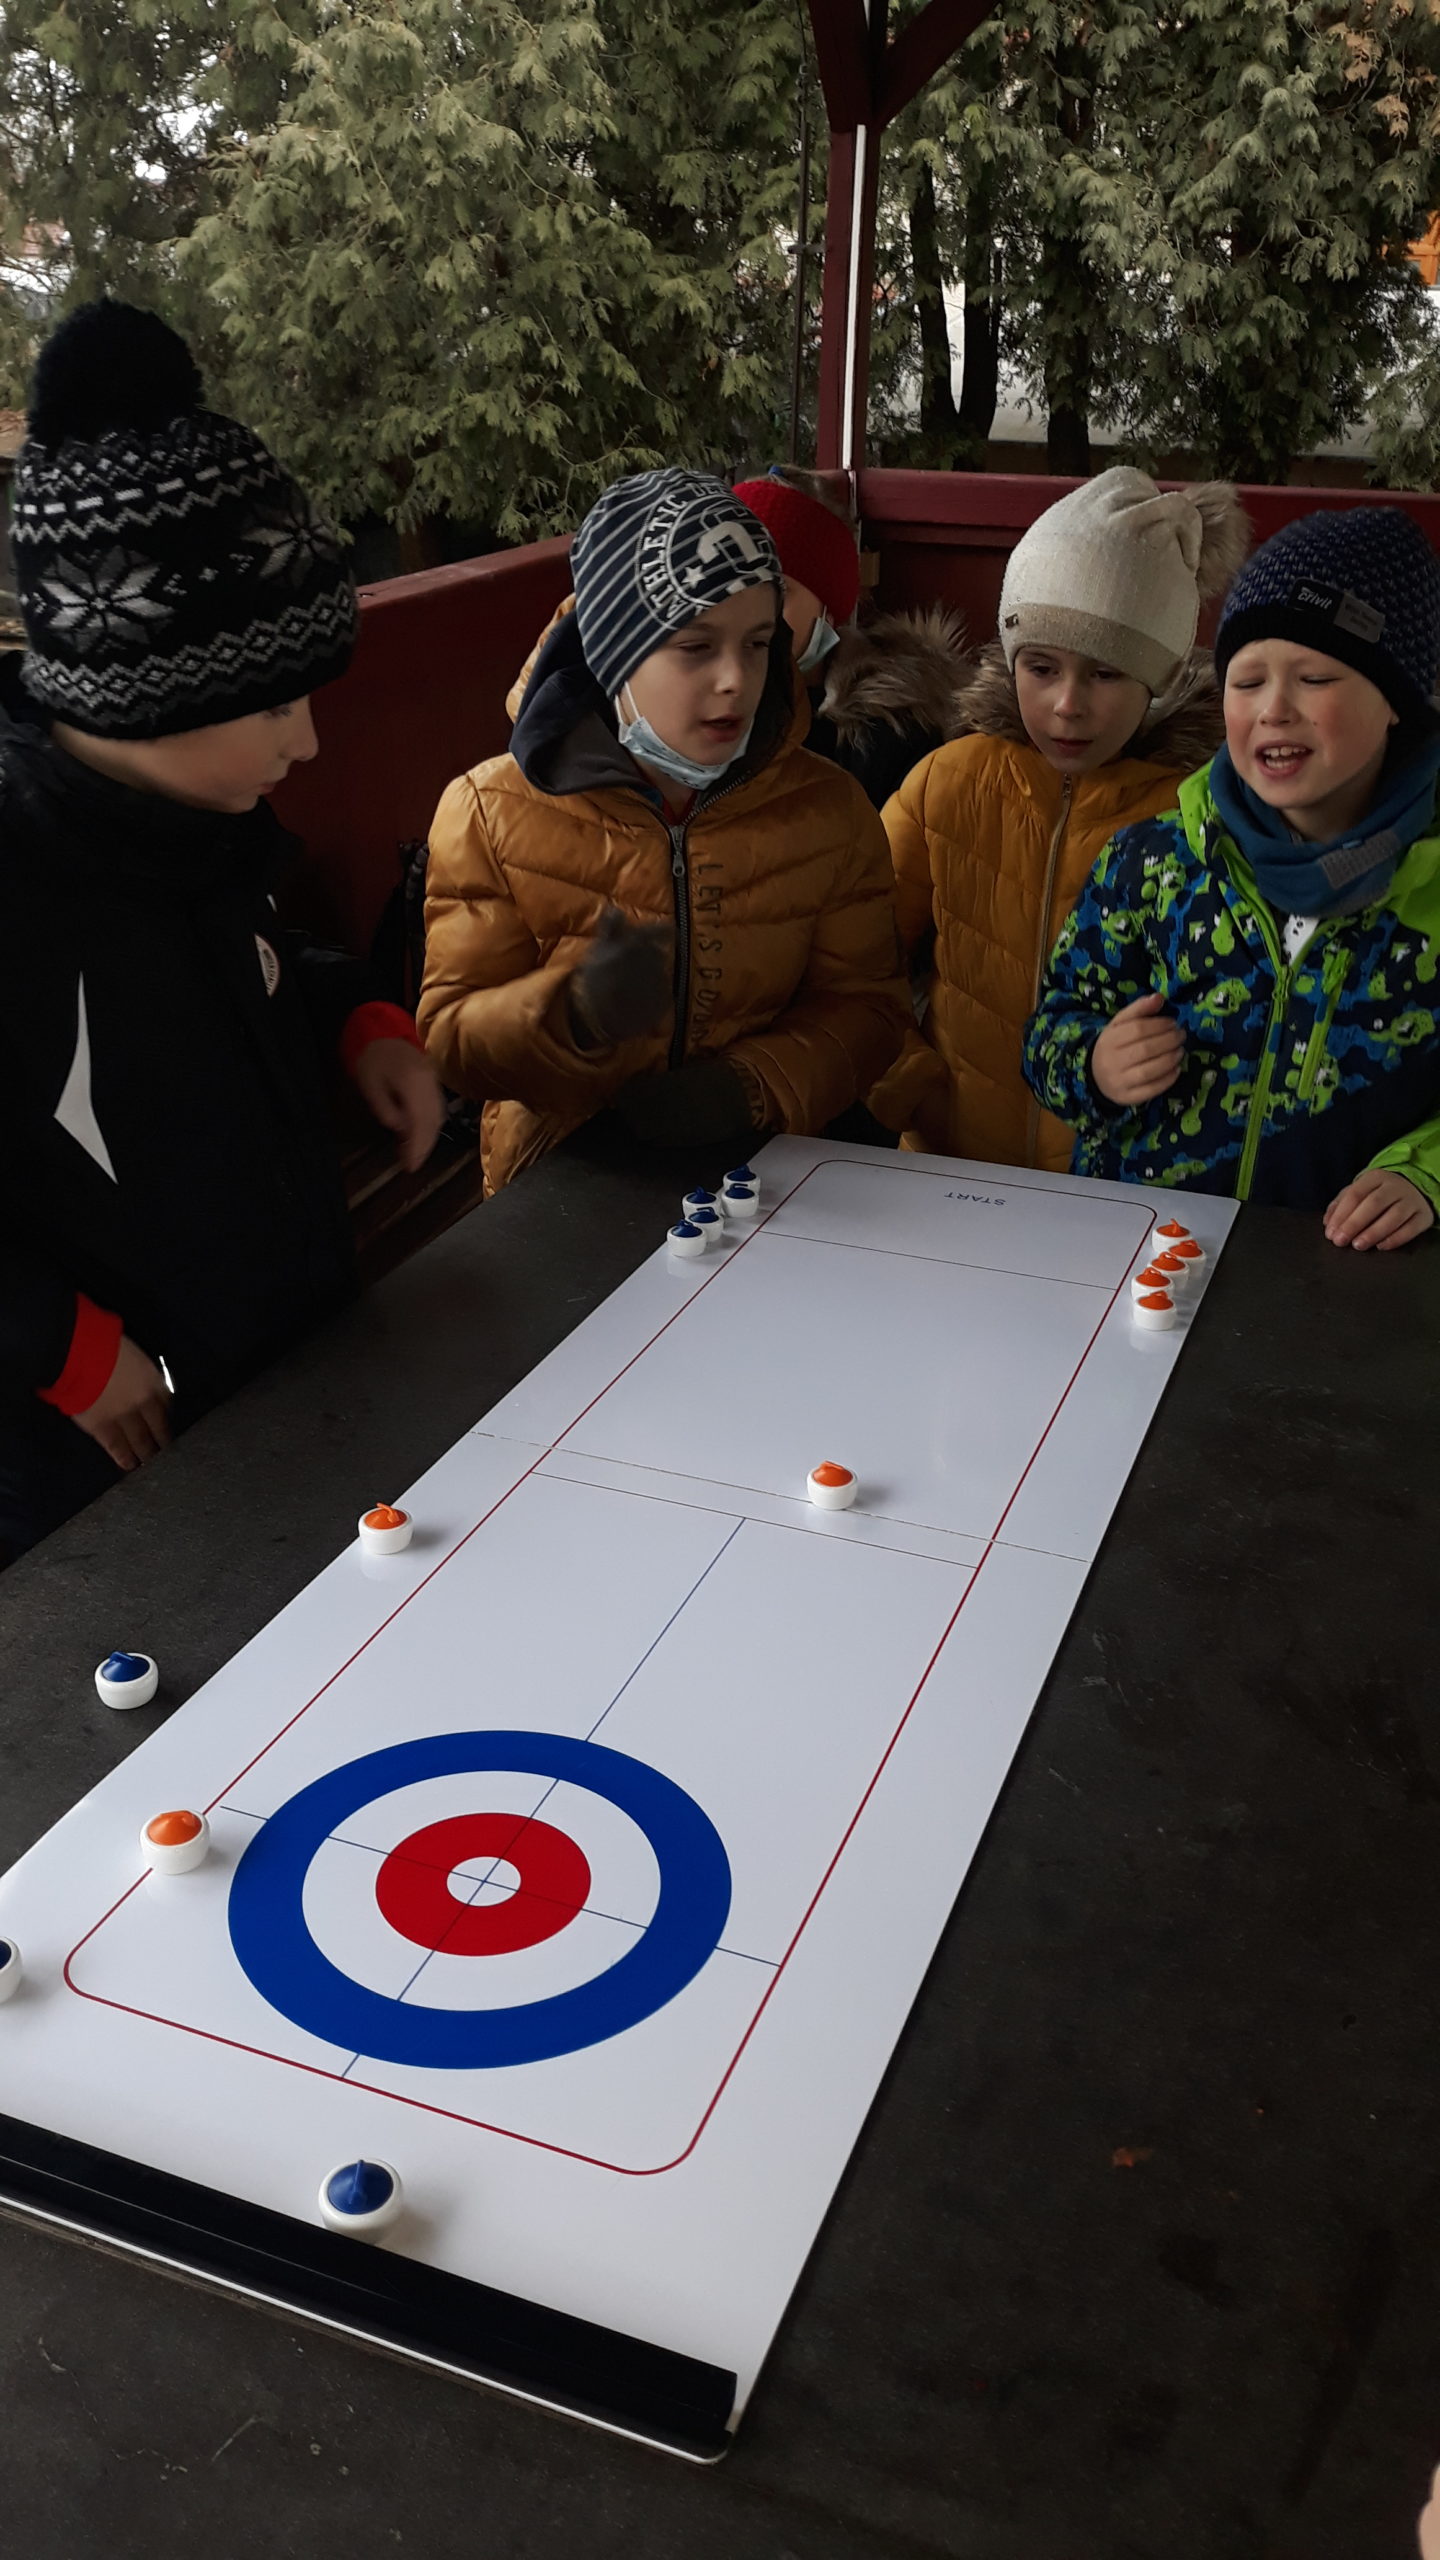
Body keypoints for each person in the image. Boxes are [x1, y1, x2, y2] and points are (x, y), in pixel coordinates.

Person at [0, 300, 443, 1558]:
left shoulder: (202, 827)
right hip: (93, 1480)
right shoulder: (21, 883)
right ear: (146, 689)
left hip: (277, 1387)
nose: (308, 741)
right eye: (275, 705)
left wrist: (356, 1022)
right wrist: (62, 1348)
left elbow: (238, 983)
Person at [418, 468, 907, 1195]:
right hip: (558, 1197)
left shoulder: (828, 811)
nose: (735, 679)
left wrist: (749, 1084)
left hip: (766, 1191)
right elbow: (452, 1037)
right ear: (613, 654)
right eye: (695, 646)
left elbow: (869, 1008)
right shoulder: (490, 810)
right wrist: (572, 1015)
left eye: (757, 643)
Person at [1023, 505, 1440, 1244]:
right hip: (1140, 1257)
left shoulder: (1428, 884)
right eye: (1247, 682)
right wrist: (1094, 1065)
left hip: (1340, 1279)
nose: (1274, 709)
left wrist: (1425, 1171)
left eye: (1315, 677)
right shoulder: (1150, 864)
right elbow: (1051, 1030)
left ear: (1398, 700)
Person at [868, 467, 1248, 1169]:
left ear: (1160, 678)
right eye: (1041, 667)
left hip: (1121, 1188)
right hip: (943, 1169)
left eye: (1106, 673)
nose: (1068, 705)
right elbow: (855, 955)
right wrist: (910, 1087)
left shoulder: (1195, 817)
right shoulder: (948, 783)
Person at [730, 466, 968, 808]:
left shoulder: (893, 735)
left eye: (776, 589)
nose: (745, 610)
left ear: (828, 606)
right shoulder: (693, 715)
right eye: (730, 587)